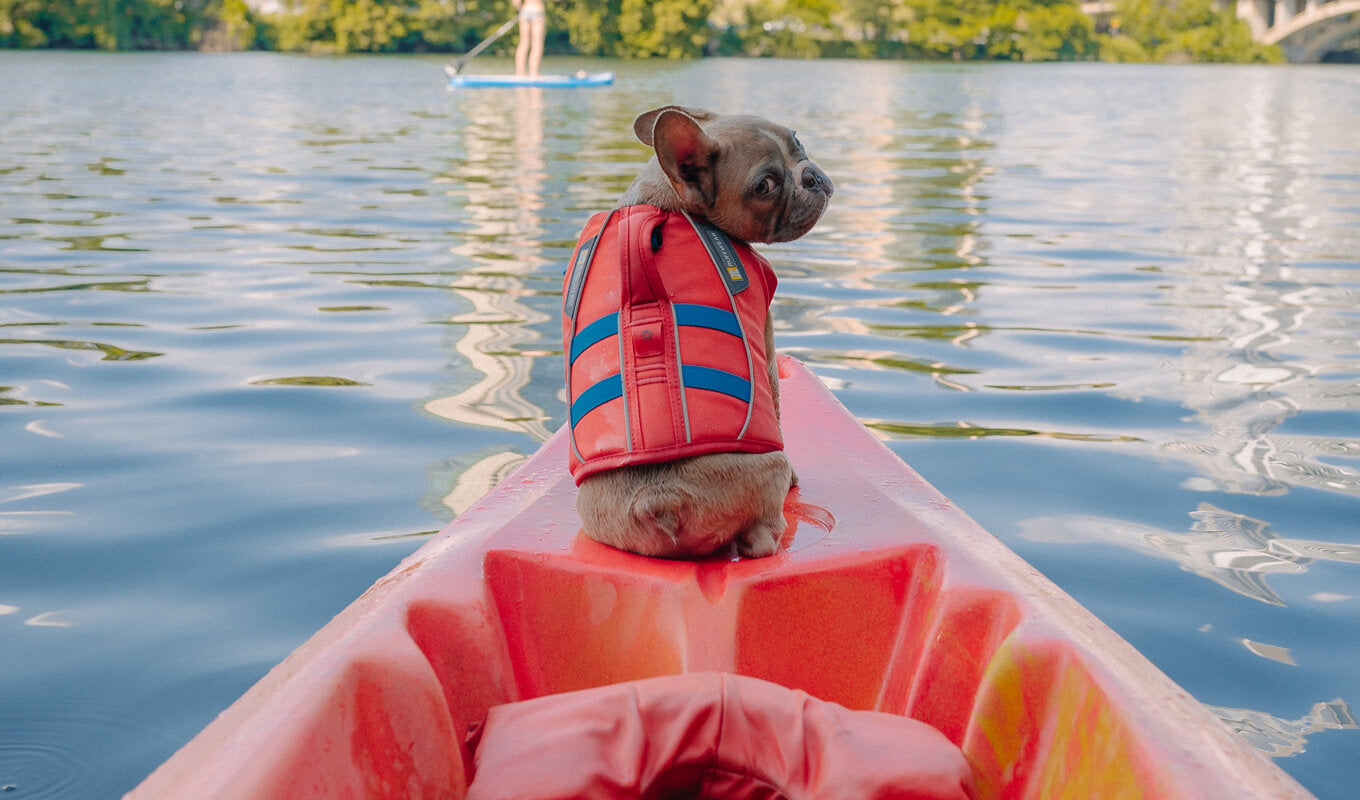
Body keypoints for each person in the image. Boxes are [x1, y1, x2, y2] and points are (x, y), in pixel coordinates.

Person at [514, 0, 546, 77]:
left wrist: (521, 9)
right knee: (537, 43)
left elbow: (516, 2)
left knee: (523, 43)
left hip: (525, 10)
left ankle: (520, 73)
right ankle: (534, 73)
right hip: (538, 10)